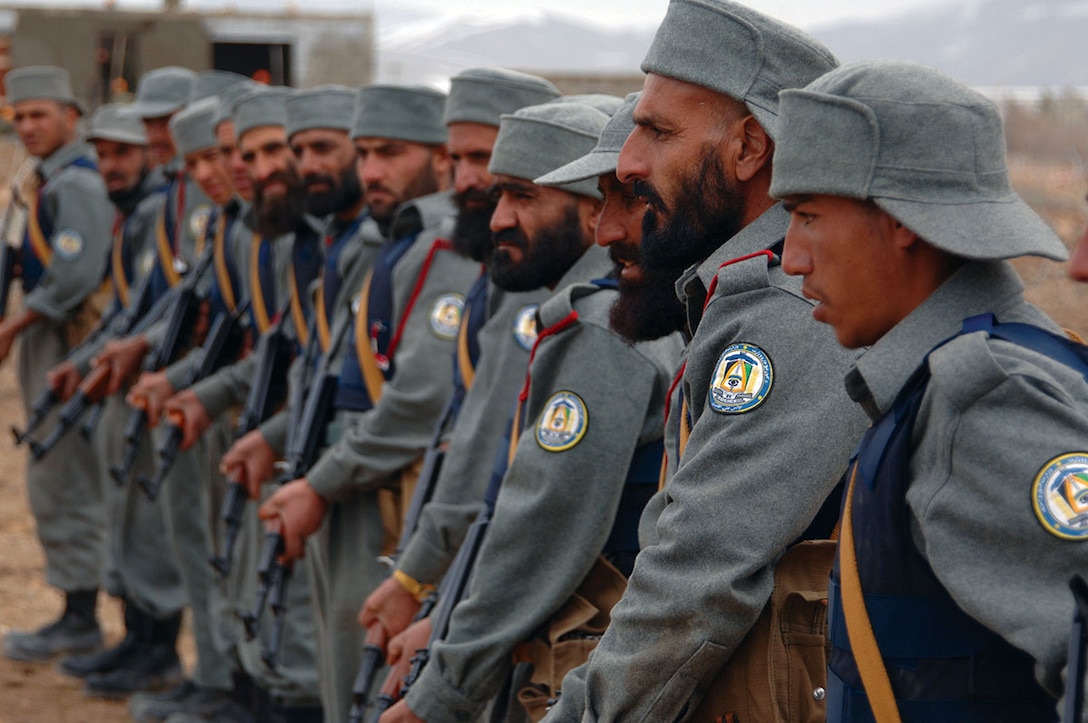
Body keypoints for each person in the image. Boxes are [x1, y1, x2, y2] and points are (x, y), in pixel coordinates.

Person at [547, 2, 869, 721]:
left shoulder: (791, 310)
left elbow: (694, 577)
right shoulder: (738, 293)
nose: (629, 163)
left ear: (750, 148)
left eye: (658, 132)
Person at [772, 59, 1088, 723]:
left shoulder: (987, 402)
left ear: (898, 219)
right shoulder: (937, 384)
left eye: (806, 215)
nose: (791, 256)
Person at [359, 66, 563, 658]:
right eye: (459, 159)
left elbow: (483, 442)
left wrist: (417, 575)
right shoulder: (494, 268)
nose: (469, 180)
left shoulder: (533, 282)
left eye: (487, 159)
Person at [50, 103, 189, 700]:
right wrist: (85, 364)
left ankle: (161, 651)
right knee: (128, 518)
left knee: (156, 526)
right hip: (133, 382)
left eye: (124, 153)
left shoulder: (165, 210)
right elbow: (131, 310)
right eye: (103, 154)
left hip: (167, 385)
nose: (111, 166)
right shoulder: (139, 216)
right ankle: (139, 638)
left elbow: (170, 309)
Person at [0, 65, 114, 663]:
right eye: (20, 117)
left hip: (69, 340)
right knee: (53, 477)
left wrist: (15, 324)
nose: (28, 126)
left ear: (71, 116)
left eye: (40, 114)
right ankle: (75, 607)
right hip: (48, 336)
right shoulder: (41, 180)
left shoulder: (76, 184)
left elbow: (74, 275)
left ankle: (81, 616)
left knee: (65, 475)